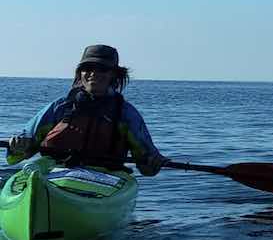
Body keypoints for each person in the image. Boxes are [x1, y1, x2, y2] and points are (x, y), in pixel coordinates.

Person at [5, 45, 164, 175]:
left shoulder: (126, 114)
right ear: (80, 73)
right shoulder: (60, 107)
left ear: (114, 75)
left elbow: (146, 169)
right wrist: (18, 147)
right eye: (87, 68)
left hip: (105, 179)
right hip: (55, 174)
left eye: (102, 69)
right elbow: (14, 158)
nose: (93, 74)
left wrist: (153, 162)